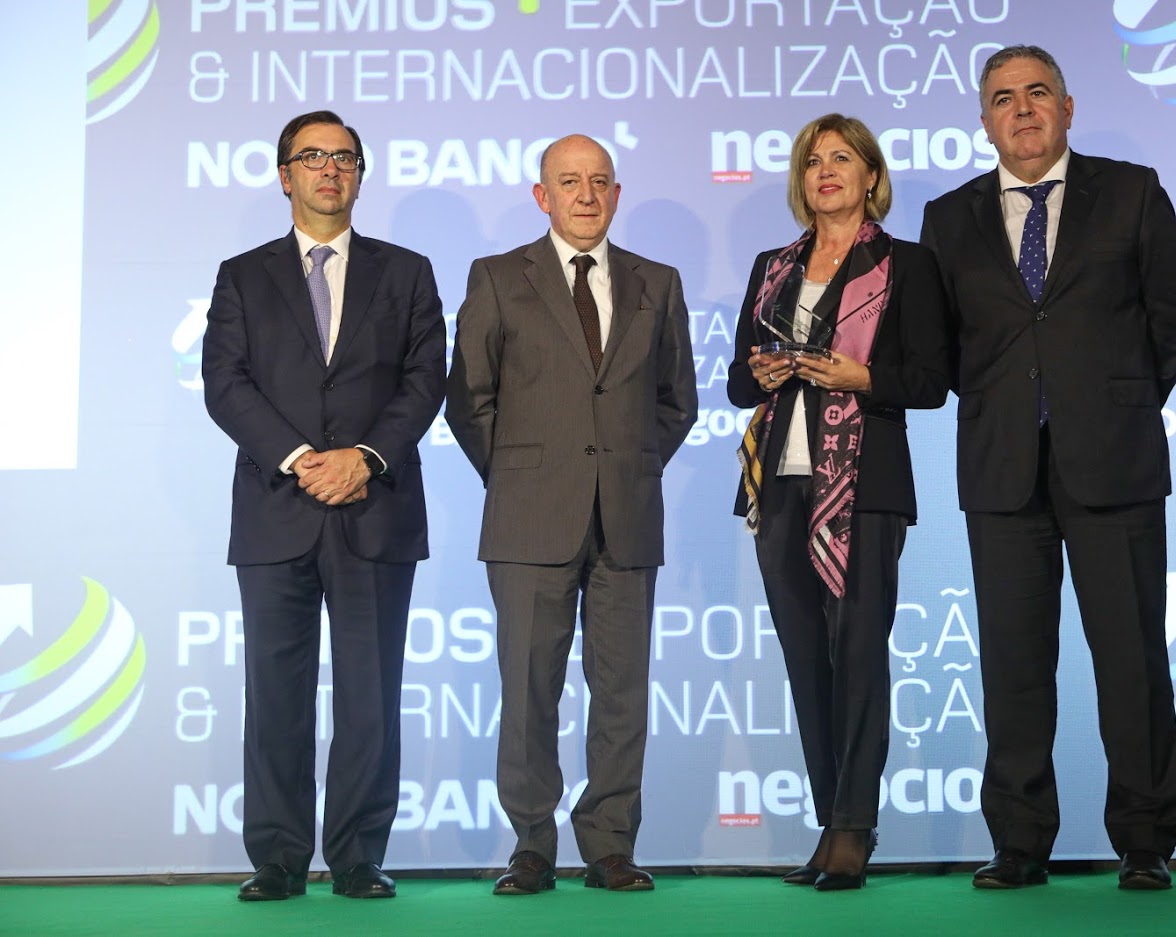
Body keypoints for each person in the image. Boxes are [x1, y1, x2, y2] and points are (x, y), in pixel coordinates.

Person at [919, 45, 1176, 890]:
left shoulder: (1130, 192)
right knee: (1012, 666)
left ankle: (1144, 838)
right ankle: (1018, 840)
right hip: (1001, 469)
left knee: (1130, 659)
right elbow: (938, 345)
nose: (1022, 109)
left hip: (1113, 464)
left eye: (1037, 92)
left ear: (1067, 107)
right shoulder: (947, 218)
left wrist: (1120, 398)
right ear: (984, 121)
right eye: (1003, 98)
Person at [203, 110, 446, 901]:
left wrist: (363, 457)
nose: (329, 169)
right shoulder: (243, 275)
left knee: (369, 693)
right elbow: (225, 383)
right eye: (312, 156)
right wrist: (303, 460)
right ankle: (276, 856)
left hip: (375, 508)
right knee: (275, 694)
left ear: (360, 175)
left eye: (344, 157)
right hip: (276, 507)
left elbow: (425, 381)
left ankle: (357, 856)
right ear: (285, 176)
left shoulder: (406, 272)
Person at [445, 134, 696, 895]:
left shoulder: (658, 282)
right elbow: (469, 399)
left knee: (622, 692)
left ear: (615, 195)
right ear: (542, 195)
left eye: (599, 182)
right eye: (569, 181)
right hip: (528, 518)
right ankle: (531, 845)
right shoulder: (497, 277)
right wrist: (522, 476)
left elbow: (676, 401)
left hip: (627, 516)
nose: (585, 195)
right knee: (528, 689)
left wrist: (622, 467)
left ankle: (610, 845)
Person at [727, 114, 951, 891]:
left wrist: (863, 378)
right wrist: (759, 373)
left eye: (841, 158)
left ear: (869, 176)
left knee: (856, 656)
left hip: (864, 486)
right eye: (812, 160)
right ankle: (828, 823)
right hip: (778, 482)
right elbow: (736, 382)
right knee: (805, 660)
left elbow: (930, 380)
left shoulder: (905, 265)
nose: (825, 170)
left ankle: (855, 826)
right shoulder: (773, 266)